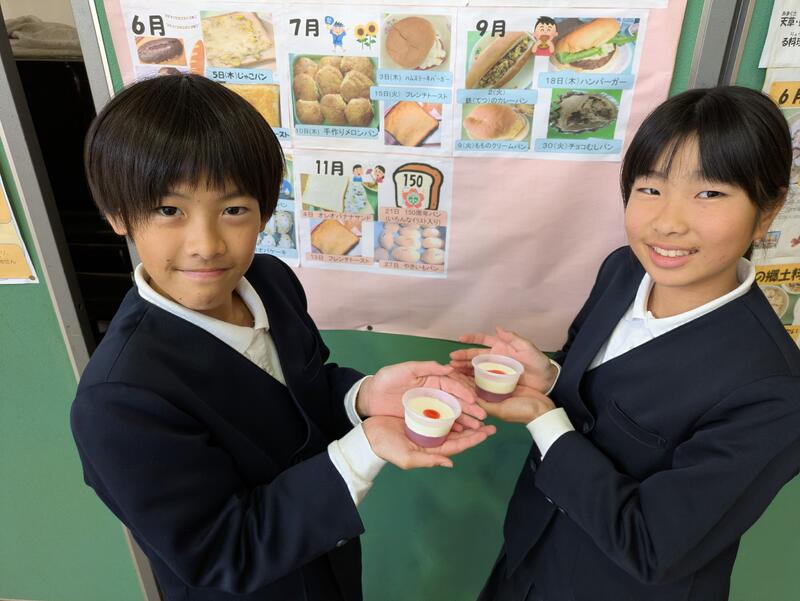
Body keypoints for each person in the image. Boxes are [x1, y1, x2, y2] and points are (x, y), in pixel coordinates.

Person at [70, 74, 493, 601]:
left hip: (328, 562)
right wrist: (366, 446)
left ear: (265, 211)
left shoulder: (269, 281)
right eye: (168, 210)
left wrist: (364, 396)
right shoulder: (119, 398)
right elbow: (224, 550)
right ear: (118, 214)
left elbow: (302, 388)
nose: (206, 244)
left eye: (233, 210)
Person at [451, 86, 800, 601]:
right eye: (650, 188)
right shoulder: (623, 271)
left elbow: (654, 546)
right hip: (528, 558)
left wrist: (543, 417)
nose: (668, 222)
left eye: (709, 194)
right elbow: (597, 386)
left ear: (767, 211)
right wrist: (550, 377)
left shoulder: (774, 391)